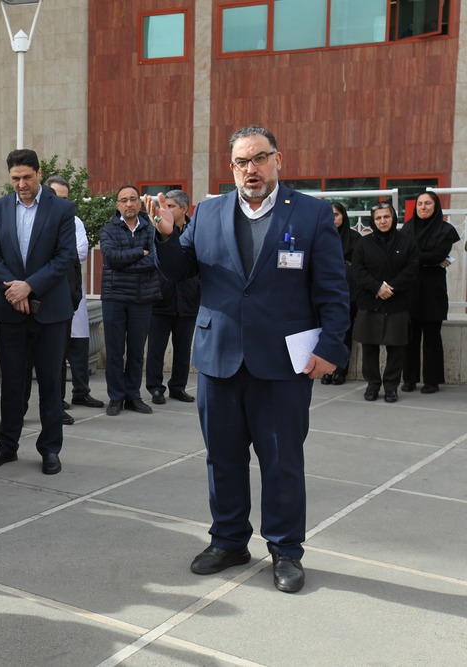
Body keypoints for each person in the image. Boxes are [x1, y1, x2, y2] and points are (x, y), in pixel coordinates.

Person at [148, 125, 349, 594]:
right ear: (231, 168)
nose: (251, 169)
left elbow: (333, 288)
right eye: (242, 161)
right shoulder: (208, 213)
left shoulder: (311, 214)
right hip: (219, 358)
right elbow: (179, 271)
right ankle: (228, 541)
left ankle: (285, 550)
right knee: (223, 458)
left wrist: (330, 348)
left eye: (259, 158)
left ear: (278, 160)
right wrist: (167, 236)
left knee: (282, 461)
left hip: (282, 363)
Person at [0, 149, 77, 475]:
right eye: (15, 179)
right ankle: (7, 446)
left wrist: (30, 286)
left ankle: (50, 449)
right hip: (11, 312)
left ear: (38, 173)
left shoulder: (61, 209)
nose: (21, 184)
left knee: (50, 384)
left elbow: (64, 257)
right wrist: (15, 289)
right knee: (12, 385)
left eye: (26, 177)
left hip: (51, 313)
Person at [99, 185, 161, 416]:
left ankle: (133, 396)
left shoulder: (152, 230)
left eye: (133, 199)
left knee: (136, 352)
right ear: (118, 205)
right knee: (115, 351)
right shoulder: (108, 230)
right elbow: (111, 258)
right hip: (114, 297)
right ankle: (116, 397)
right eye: (123, 200)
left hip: (143, 298)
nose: (129, 204)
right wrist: (139, 253)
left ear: (140, 203)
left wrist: (126, 263)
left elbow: (156, 260)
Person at [46, 176, 104, 411]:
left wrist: (58, 255)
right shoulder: (41, 221)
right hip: (50, 292)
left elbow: (81, 252)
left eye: (65, 198)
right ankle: (57, 399)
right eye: (57, 197)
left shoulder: (75, 221)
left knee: (79, 344)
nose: (62, 203)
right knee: (56, 351)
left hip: (73, 290)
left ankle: (81, 392)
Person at [351, 203, 420, 403]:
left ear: (393, 218)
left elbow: (411, 269)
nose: (383, 221)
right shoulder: (363, 243)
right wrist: (377, 288)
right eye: (378, 218)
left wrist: (391, 288)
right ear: (373, 221)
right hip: (370, 300)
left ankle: (391, 387)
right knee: (369, 347)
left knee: (396, 348)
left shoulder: (407, 242)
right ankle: (372, 385)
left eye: (386, 217)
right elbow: (358, 271)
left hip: (397, 301)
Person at [401, 191, 461, 394]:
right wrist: (427, 258)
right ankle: (409, 379)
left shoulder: (446, 230)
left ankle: (432, 381)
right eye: (420, 204)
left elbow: (439, 255)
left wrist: (415, 257)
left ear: (435, 206)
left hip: (433, 288)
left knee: (432, 336)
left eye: (427, 203)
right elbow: (405, 256)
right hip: (410, 286)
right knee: (410, 337)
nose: (423, 207)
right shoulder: (408, 228)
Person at [145, 189, 199, 405]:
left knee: (183, 349)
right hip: (160, 298)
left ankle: (178, 387)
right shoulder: (156, 228)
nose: (165, 210)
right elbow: (149, 258)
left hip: (188, 300)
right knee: (156, 349)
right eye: (164, 205)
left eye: (171, 206)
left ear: (184, 209)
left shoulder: (196, 230)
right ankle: (155, 388)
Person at [321, 202, 362, 385]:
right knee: (325, 331)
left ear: (343, 216)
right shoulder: (320, 236)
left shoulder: (354, 238)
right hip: (323, 292)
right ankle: (327, 369)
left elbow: (360, 266)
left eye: (336, 214)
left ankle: (341, 369)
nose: (333, 219)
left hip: (347, 293)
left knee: (345, 332)